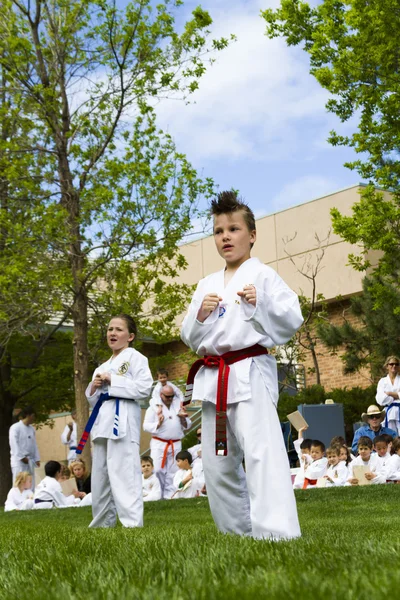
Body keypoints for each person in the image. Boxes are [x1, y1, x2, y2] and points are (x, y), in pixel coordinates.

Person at [180, 191, 303, 540]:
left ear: (251, 234)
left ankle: (277, 535)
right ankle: (235, 533)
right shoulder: (206, 285)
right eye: (219, 231)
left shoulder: (262, 275)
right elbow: (189, 335)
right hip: (213, 378)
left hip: (249, 371)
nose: (225, 237)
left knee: (263, 455)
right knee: (217, 463)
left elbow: (291, 319)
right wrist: (200, 316)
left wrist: (260, 302)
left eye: (233, 229)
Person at [84, 314, 153, 528]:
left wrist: (114, 379)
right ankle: (102, 524)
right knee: (100, 476)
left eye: (118, 329)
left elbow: (144, 388)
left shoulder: (136, 358)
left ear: (130, 336)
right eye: (110, 329)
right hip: (103, 423)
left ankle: (132, 524)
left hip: (123, 421)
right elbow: (93, 400)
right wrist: (93, 387)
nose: (112, 333)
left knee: (125, 474)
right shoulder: (103, 365)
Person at [143, 384, 192, 499]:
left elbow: (188, 425)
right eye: (167, 397)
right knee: (158, 469)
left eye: (172, 396)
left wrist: (183, 419)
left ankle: (170, 495)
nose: (170, 399)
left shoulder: (177, 406)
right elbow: (145, 426)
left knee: (173, 470)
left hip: (175, 443)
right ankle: (157, 494)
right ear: (161, 395)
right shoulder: (154, 408)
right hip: (159, 443)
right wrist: (158, 424)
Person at [9, 406, 40, 489]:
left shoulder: (31, 429)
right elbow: (14, 444)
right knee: (19, 483)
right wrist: (22, 457)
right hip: (19, 462)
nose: (34, 418)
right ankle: (18, 500)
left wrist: (37, 459)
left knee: (31, 483)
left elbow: (34, 445)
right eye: (33, 416)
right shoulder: (15, 428)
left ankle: (29, 499)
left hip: (30, 460)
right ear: (29, 415)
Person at [376, 356, 400, 435]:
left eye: (396, 364)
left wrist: (389, 393)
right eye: (391, 364)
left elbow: (386, 396)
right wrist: (397, 395)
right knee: (391, 436)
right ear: (387, 366)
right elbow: (380, 399)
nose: (394, 366)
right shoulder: (382, 381)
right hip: (388, 412)